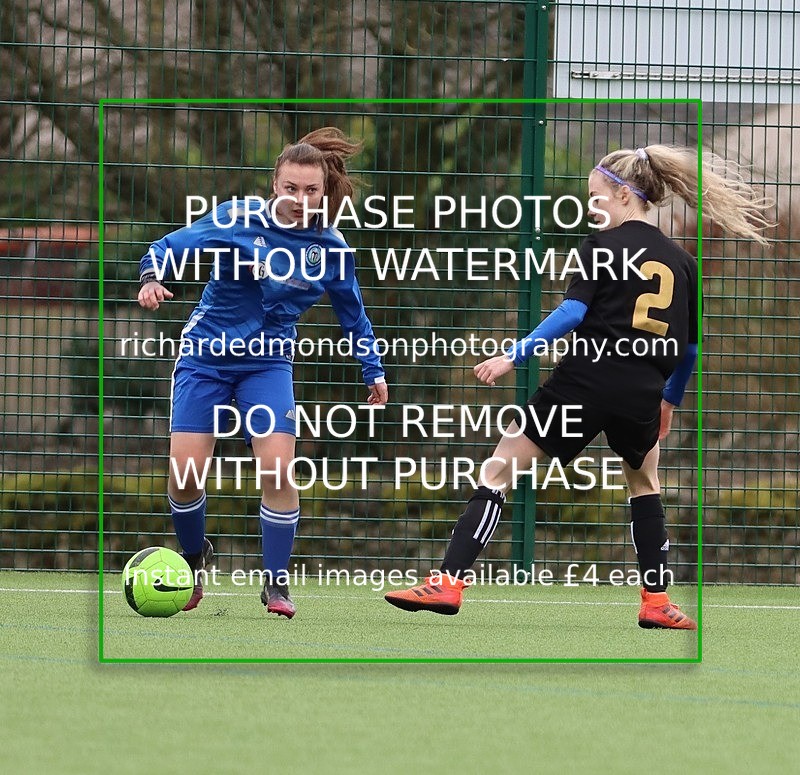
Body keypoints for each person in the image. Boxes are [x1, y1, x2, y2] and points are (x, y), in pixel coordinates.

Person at [385, 144, 773, 629]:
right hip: (643, 392)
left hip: (585, 381)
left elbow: (572, 313)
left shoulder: (599, 247)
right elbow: (690, 350)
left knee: (499, 470)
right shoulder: (682, 262)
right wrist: (668, 402)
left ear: (626, 196)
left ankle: (448, 584)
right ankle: (656, 603)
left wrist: (513, 354)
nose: (591, 208)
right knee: (644, 485)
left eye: (596, 198)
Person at [138, 127, 388, 618]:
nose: (300, 199)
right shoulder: (237, 219)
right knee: (185, 474)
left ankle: (276, 583)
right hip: (205, 356)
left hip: (268, 363)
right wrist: (152, 278)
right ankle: (193, 559)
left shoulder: (332, 248)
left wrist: (371, 369)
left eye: (310, 190)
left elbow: (352, 313)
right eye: (290, 189)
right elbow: (168, 245)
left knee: (277, 467)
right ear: (275, 185)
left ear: (324, 190)